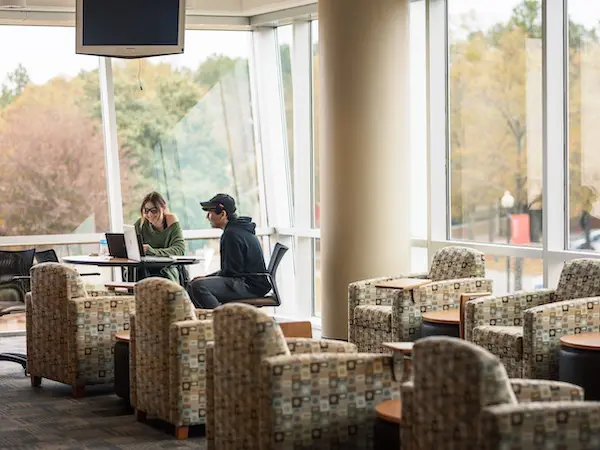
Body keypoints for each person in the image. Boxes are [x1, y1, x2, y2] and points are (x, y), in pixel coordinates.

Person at [188, 193, 271, 309]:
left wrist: (206, 278)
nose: (207, 217)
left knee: (199, 286)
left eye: (210, 212)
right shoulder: (238, 230)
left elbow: (231, 273)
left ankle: (221, 320)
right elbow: (230, 271)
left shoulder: (231, 234)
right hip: (253, 283)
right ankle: (209, 322)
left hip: (249, 285)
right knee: (194, 284)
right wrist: (207, 277)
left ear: (223, 214)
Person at [134, 191, 185, 283]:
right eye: (146, 211)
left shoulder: (171, 222)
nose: (149, 215)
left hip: (166, 269)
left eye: (154, 211)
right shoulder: (140, 224)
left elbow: (179, 249)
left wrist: (152, 251)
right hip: (145, 268)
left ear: (163, 208)